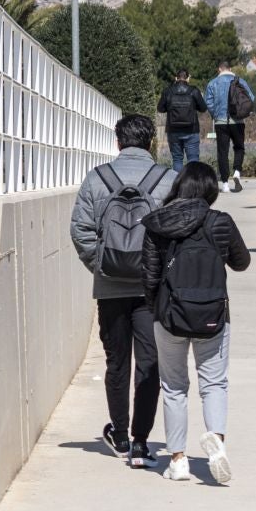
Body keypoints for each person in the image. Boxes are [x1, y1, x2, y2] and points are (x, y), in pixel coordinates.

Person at [70, 113, 175, 468]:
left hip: (110, 287)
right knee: (150, 363)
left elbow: (80, 231)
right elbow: (178, 232)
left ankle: (119, 433)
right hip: (151, 289)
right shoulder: (167, 180)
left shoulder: (97, 179)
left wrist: (101, 265)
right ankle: (142, 442)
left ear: (118, 142)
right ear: (151, 142)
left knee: (117, 362)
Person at [141, 162, 251, 484]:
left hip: (170, 317)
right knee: (214, 384)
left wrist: (157, 311)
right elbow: (242, 263)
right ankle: (216, 441)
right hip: (213, 318)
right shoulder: (221, 222)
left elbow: (148, 276)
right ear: (210, 191)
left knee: (174, 387)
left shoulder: (159, 224)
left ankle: (177, 460)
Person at [204, 60, 254, 192]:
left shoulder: (212, 83)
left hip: (221, 123)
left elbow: (207, 102)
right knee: (239, 148)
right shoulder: (241, 81)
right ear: (230, 69)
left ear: (219, 69)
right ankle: (237, 171)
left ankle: (225, 183)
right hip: (237, 122)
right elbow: (251, 98)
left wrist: (216, 114)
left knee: (222, 152)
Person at [157, 67, 208, 171]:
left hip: (173, 131)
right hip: (192, 130)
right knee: (193, 160)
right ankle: (193, 186)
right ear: (188, 78)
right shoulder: (194, 91)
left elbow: (160, 108)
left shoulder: (168, 91)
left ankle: (178, 185)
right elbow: (203, 108)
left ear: (176, 78)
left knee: (177, 159)